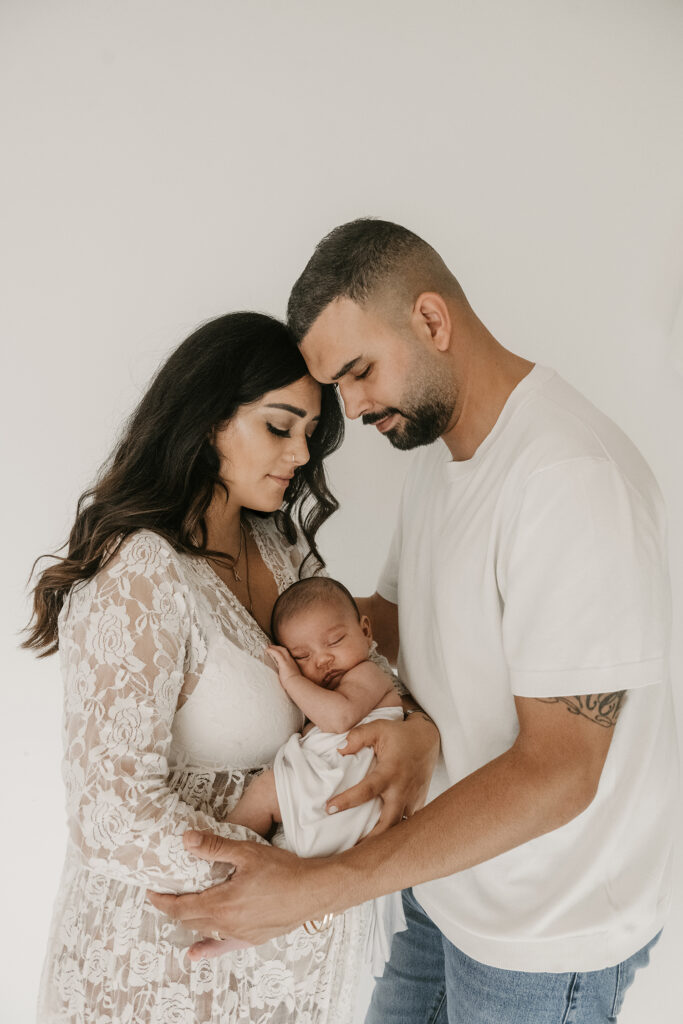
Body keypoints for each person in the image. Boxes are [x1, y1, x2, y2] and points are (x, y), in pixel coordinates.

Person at [150, 221, 679, 1024]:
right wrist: (212, 629)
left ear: (431, 319)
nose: (353, 408)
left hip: (542, 933)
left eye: (359, 372)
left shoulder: (569, 482)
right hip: (440, 882)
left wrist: (319, 887)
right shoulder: (439, 457)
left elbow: (562, 770)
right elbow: (389, 623)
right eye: (337, 387)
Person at [24, 309, 440, 1024]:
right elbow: (109, 815)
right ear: (207, 419)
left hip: (281, 956)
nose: (300, 454)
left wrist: (416, 731)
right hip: (164, 958)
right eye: (279, 427)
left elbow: (354, 665)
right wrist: (297, 877)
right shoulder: (142, 571)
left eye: (310, 434)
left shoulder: (280, 548)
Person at [230, 576, 403, 855]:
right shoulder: (327, 690)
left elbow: (338, 718)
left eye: (335, 641)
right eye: (301, 656)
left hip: (345, 795)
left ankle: (221, 851)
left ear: (365, 631)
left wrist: (292, 678)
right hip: (328, 800)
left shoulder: (368, 674)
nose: (322, 660)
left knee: (266, 791)